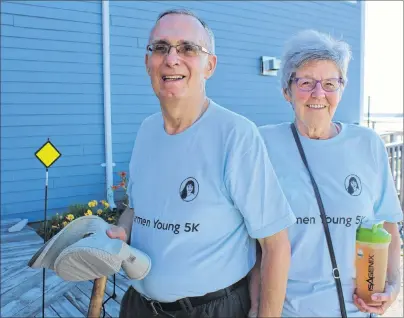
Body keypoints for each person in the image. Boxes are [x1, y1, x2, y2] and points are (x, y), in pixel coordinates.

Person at [107, 9, 296, 318]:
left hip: (211, 310)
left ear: (210, 65)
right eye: (160, 47)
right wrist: (122, 229)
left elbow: (276, 245)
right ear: (147, 62)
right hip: (138, 306)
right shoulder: (147, 131)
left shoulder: (235, 135)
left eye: (187, 48)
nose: (171, 58)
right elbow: (136, 208)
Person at [253, 29, 403, 317]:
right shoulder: (263, 144)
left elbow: (388, 225)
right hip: (289, 310)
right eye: (306, 82)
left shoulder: (367, 144)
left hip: (357, 310)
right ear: (287, 90)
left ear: (342, 89)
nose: (318, 93)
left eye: (330, 83)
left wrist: (393, 286)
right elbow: (256, 246)